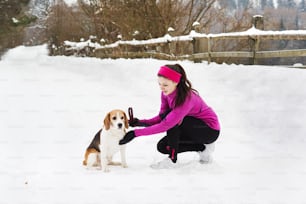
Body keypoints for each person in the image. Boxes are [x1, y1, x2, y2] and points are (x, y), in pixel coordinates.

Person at [119, 64, 220, 169]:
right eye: (159, 84)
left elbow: (165, 125)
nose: (161, 88)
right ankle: (202, 148)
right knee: (163, 146)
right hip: (190, 129)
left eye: (165, 85)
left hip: (208, 130)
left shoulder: (186, 99)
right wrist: (140, 122)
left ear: (176, 82)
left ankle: (172, 160)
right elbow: (161, 117)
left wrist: (135, 134)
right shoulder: (165, 94)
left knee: (173, 121)